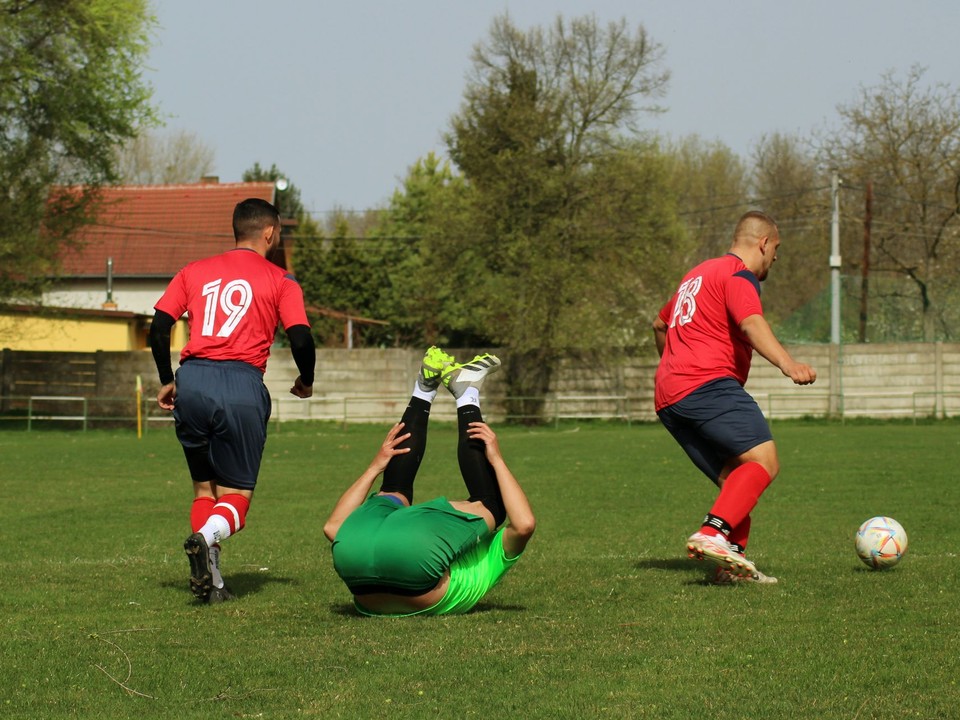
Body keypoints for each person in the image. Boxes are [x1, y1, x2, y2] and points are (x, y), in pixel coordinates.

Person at [149, 197, 316, 603]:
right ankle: (205, 539)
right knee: (237, 497)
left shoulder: (193, 271)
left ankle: (215, 582)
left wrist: (168, 379)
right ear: (270, 232)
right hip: (241, 384)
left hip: (192, 381)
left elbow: (159, 327)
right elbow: (300, 337)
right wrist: (306, 379)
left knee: (204, 491)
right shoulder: (282, 280)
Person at [652, 210, 817, 584]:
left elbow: (660, 324)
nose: (776, 257)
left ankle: (731, 567)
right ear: (763, 243)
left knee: (735, 479)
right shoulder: (738, 275)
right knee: (764, 461)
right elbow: (751, 322)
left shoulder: (697, 274)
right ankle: (711, 534)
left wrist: (674, 364)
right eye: (776, 248)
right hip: (707, 384)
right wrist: (788, 363)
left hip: (670, 396)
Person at [323, 347, 535, 616]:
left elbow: (334, 525)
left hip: (393, 547)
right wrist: (496, 460)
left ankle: (436, 391)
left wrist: (376, 466)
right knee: (484, 502)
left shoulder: (473, 559)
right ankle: (443, 389)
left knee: (483, 505)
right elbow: (333, 528)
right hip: (360, 560)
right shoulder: (488, 557)